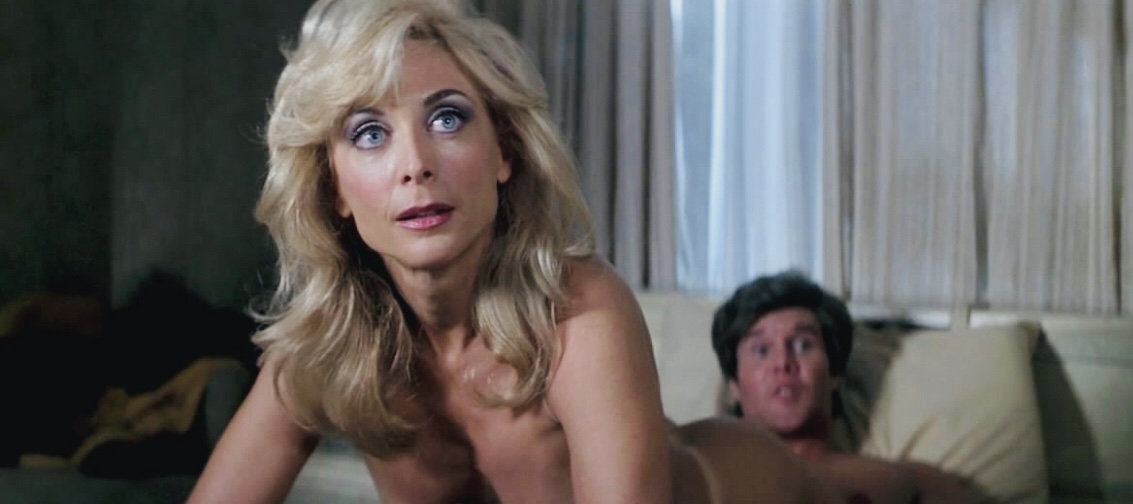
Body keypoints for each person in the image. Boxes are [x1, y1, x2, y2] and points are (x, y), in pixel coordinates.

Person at [186, 1, 835, 503]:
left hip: (747, 484)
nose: (414, 164)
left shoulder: (580, 312)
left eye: (446, 118)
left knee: (874, 487)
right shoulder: (325, 344)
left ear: (504, 152)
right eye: (369, 133)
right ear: (334, 190)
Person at [710, 271, 972, 504]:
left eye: (802, 345)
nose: (783, 363)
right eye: (761, 350)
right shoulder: (702, 468)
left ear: (834, 372)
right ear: (734, 384)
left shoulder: (903, 484)